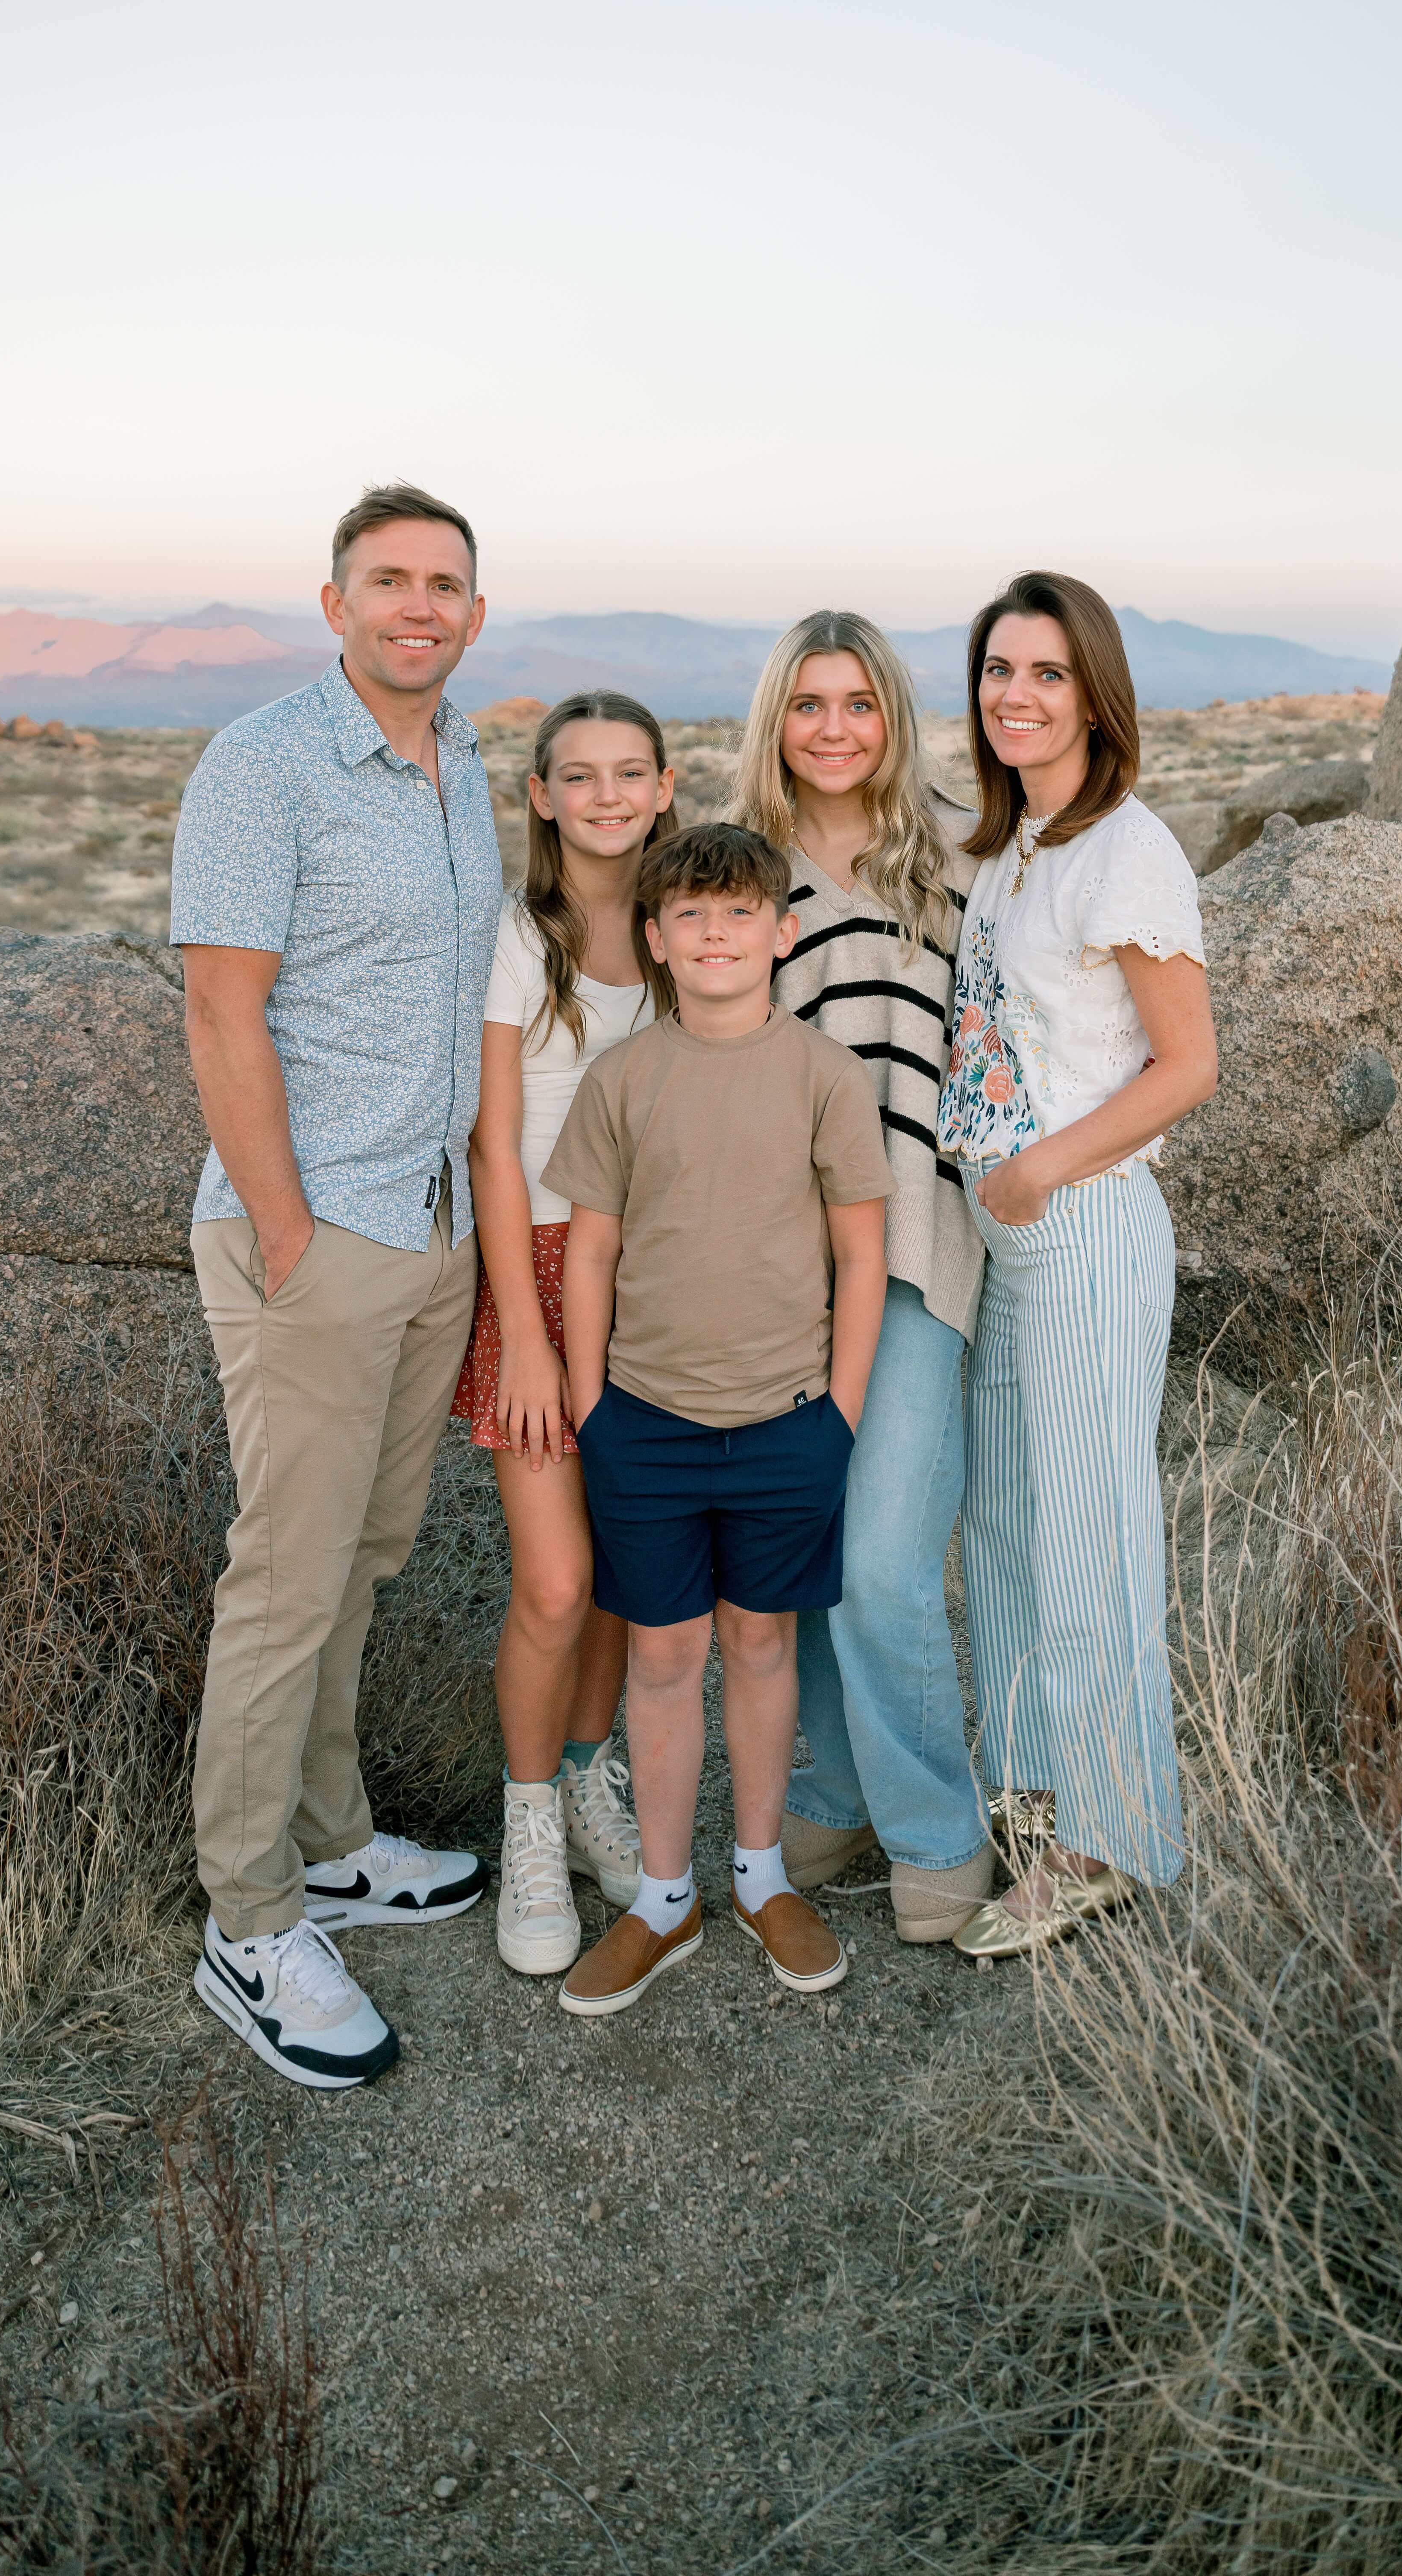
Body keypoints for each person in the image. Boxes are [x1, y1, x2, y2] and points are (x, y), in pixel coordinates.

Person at [171, 481, 501, 2093]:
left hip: (429, 1232)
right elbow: (224, 1017)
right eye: (390, 582)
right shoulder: (266, 766)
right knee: (287, 1579)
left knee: (362, 1560)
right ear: (335, 604)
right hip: (319, 1238)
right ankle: (247, 1921)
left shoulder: (468, 770)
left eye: (444, 584)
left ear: (474, 616)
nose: (417, 607)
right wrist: (291, 1236)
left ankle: (332, 1847)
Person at [546, 823, 891, 2019]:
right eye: (688, 915)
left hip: (790, 1422)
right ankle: (660, 1897)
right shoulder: (625, 1079)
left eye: (738, 913)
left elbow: (862, 1246)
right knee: (662, 1654)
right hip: (643, 1421)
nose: (713, 933)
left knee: (760, 1646)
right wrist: (592, 1405)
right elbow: (590, 1249)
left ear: (781, 933)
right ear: (655, 940)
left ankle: (757, 1875)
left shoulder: (823, 1075)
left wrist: (841, 1414)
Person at [935, 571, 1218, 1961]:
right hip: (1009, 1241)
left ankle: (1108, 1840)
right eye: (998, 670)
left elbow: (1192, 1065)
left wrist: (1044, 1169)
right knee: (1008, 1524)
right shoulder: (1018, 846)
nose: (1016, 696)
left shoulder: (1127, 851)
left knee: (1094, 1528)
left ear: (1093, 691)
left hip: (1090, 1227)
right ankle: (1037, 1802)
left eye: (1045, 673)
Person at [729, 613, 994, 1943]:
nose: (833, 728)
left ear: (891, 715)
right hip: (774, 1269)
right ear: (776, 720)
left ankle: (942, 1834)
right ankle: (830, 1798)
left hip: (914, 1250)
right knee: (805, 1553)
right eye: (807, 705)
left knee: (887, 1560)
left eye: (858, 703)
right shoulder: (736, 875)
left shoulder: (958, 850)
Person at [459, 692, 675, 1974]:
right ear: (540, 795)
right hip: (537, 1273)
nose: (604, 796)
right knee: (554, 1580)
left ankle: (595, 1778)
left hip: (657, 1283)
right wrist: (526, 1340)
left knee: (628, 1573)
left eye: (628, 773)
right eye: (577, 776)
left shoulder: (685, 928)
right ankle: (530, 1818)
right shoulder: (513, 938)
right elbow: (495, 1144)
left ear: (664, 786)